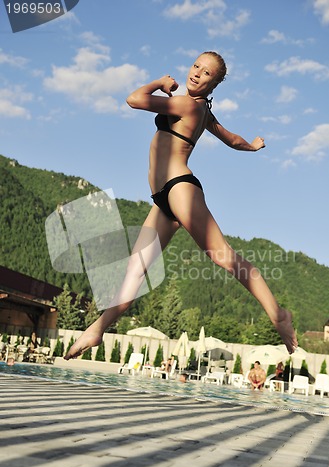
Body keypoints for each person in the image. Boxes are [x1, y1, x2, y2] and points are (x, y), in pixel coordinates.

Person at [64, 51, 298, 360]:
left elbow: (134, 99)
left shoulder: (187, 104)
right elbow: (231, 139)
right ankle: (97, 330)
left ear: (214, 84)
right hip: (164, 198)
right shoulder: (203, 112)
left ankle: (278, 314)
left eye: (207, 73)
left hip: (179, 188)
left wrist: (159, 83)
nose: (198, 73)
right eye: (196, 66)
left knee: (223, 256)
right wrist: (252, 146)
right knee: (134, 271)